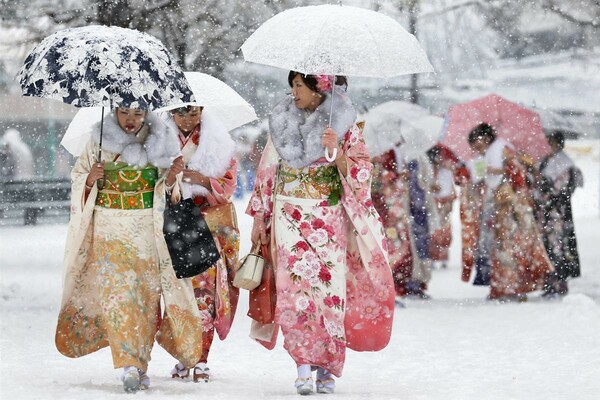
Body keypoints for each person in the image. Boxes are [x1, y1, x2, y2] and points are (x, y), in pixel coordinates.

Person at [247, 72, 394, 395]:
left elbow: (363, 174)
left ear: (320, 87)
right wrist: (260, 214)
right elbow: (268, 171)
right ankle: (301, 365)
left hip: (327, 217)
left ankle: (326, 368)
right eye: (293, 85)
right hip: (288, 212)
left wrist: (338, 153)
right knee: (293, 291)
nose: (294, 92)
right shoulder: (282, 122)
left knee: (329, 293)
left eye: (300, 85)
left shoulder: (344, 125)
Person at [56, 107, 204, 393]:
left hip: (147, 228)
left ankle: (140, 362)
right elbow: (78, 178)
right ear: (113, 112)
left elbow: (169, 190)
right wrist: (90, 178)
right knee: (118, 298)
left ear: (147, 113)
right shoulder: (97, 140)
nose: (130, 120)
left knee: (146, 298)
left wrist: (172, 177)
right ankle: (128, 364)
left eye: (137, 113)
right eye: (124, 112)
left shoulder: (160, 138)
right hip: (109, 229)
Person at [166, 105, 240, 382]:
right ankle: (183, 355)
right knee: (177, 292)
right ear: (171, 113)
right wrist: (171, 178)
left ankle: (201, 357)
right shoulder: (159, 140)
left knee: (205, 292)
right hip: (172, 220)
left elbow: (229, 185)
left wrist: (203, 180)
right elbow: (151, 183)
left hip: (206, 222)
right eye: (181, 112)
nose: (187, 118)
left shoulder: (218, 141)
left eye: (193, 112)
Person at [462, 123, 553, 301]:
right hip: (502, 205)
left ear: (486, 138)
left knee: (510, 246)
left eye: (476, 142)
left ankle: (513, 287)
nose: (475, 147)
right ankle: (504, 287)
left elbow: (517, 171)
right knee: (502, 247)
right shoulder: (492, 152)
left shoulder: (501, 149)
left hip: (512, 206)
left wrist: (496, 171)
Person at [534, 131, 583, 297]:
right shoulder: (543, 161)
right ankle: (549, 282)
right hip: (544, 211)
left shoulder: (564, 163)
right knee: (546, 245)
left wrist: (544, 185)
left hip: (557, 211)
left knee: (558, 246)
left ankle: (560, 282)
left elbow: (562, 190)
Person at [371, 143, 413, 299]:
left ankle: (393, 284)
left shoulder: (390, 151)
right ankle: (389, 284)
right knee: (389, 241)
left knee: (392, 240)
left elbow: (399, 176)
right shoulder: (386, 150)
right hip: (381, 201)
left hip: (387, 201)